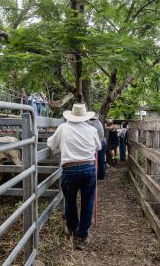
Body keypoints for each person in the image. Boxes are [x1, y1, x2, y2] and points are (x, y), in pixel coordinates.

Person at [47, 103, 101, 250]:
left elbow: (51, 145)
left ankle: (72, 228)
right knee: (87, 202)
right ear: (85, 116)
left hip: (69, 169)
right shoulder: (92, 129)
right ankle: (82, 236)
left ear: (71, 115)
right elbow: (99, 147)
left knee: (70, 201)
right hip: (89, 167)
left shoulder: (63, 127)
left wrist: (63, 146)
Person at [88, 115, 106, 180]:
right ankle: (101, 175)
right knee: (101, 160)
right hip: (102, 141)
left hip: (97, 142)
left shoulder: (91, 123)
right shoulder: (99, 122)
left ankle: (94, 175)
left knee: (93, 160)